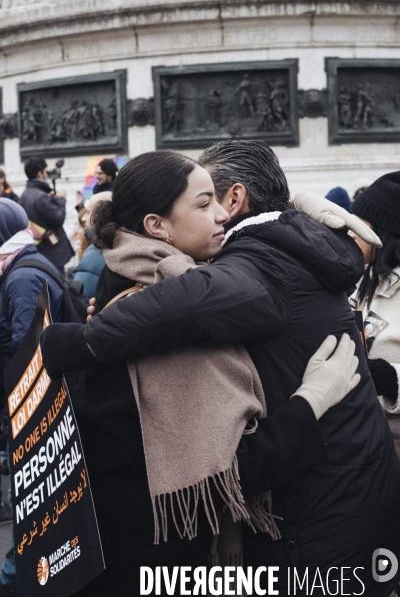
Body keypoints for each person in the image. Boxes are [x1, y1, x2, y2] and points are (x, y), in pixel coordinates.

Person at [43, 140, 400, 596]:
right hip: (154, 559)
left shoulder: (151, 276)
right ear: (157, 226)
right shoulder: (164, 308)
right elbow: (225, 475)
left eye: (221, 197)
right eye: (204, 200)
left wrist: (296, 207)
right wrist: (310, 404)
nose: (222, 213)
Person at [0, 198, 64, 596]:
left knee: (29, 496)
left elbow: (29, 351)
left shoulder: (21, 277)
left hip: (29, 406)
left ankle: (12, 579)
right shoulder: (22, 266)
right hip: (25, 403)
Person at [349, 171, 400, 458]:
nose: (350, 232)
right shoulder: (366, 280)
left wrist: (389, 378)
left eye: (360, 225)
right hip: (372, 449)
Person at [19, 158, 74, 275]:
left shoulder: (25, 194)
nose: (46, 173)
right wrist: (60, 199)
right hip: (52, 253)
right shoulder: (41, 197)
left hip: (39, 251)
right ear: (39, 173)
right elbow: (58, 219)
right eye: (45, 170)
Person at [71, 192, 109, 298]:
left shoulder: (95, 252)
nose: (84, 218)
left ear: (100, 215)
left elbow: (79, 301)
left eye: (88, 212)